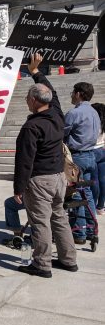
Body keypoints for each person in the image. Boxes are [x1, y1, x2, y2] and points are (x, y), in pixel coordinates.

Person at [14, 53, 77, 278]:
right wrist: (35, 73)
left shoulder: (32, 127)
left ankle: (41, 264)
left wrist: (19, 188)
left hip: (40, 180)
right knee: (59, 217)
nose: (26, 102)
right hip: (59, 177)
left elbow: (24, 160)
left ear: (34, 100)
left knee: (40, 222)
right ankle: (69, 259)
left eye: (28, 98)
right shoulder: (57, 115)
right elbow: (53, 93)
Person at [64, 81, 101, 243]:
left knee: (76, 194)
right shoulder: (94, 112)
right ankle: (92, 229)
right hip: (90, 155)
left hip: (77, 156)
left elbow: (61, 133)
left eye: (73, 92)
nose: (71, 95)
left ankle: (79, 233)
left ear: (78, 94)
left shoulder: (75, 113)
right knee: (88, 195)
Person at [91, 102, 105, 215]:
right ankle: (100, 206)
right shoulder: (103, 123)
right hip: (102, 150)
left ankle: (92, 204)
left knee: (94, 180)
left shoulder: (93, 123)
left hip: (93, 151)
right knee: (102, 180)